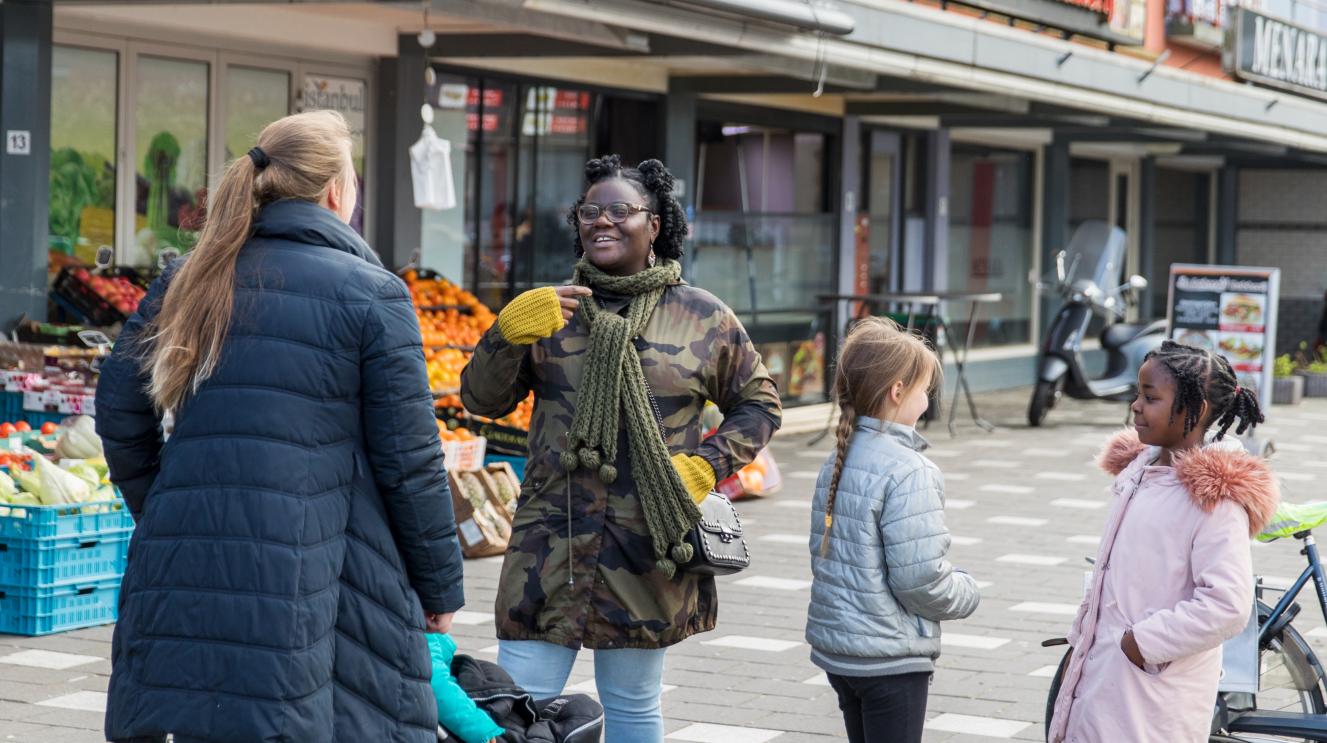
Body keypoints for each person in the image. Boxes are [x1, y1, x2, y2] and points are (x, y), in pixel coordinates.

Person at [95, 110, 465, 743]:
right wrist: (440, 586)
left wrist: (161, 504)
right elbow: (411, 461)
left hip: (185, 552)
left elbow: (117, 407)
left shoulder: (187, 279)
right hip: (324, 566)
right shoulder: (372, 294)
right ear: (335, 192)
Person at [460, 154, 782, 741]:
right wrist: (504, 334)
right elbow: (482, 402)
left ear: (654, 225)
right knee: (517, 706)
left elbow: (760, 404)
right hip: (548, 544)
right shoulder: (550, 310)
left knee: (633, 705)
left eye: (619, 210)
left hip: (644, 547)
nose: (601, 221)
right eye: (589, 211)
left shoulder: (702, 317)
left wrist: (707, 468)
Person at [1048, 340, 1280, 743]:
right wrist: (1083, 638)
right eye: (1138, 394)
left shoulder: (1213, 499)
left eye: (1151, 397)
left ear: (1196, 410)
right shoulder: (1139, 470)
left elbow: (1226, 606)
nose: (1136, 405)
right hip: (1102, 671)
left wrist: (1142, 643)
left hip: (1153, 695)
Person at [805, 317, 980, 743]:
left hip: (842, 652)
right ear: (898, 391)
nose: (926, 400)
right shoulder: (910, 470)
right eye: (924, 390)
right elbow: (918, 579)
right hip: (889, 656)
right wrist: (966, 593)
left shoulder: (840, 457)